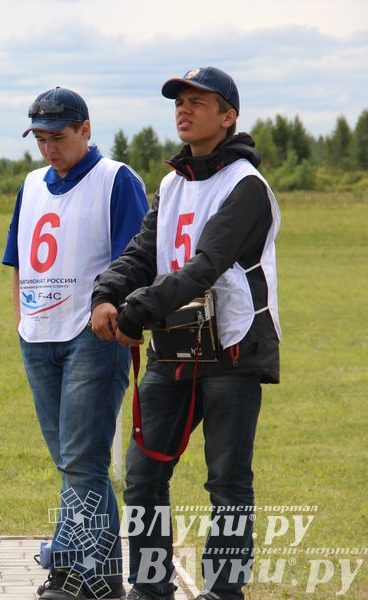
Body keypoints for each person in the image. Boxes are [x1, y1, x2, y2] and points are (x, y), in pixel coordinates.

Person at [91, 67, 281, 600]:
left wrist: (134, 312)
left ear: (228, 116)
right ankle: (150, 589)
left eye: (199, 101)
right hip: (172, 349)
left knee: (226, 483)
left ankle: (224, 592)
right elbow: (142, 252)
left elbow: (206, 264)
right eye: (180, 100)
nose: (185, 108)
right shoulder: (173, 182)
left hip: (233, 350)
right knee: (145, 475)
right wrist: (106, 293)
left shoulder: (246, 186)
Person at [2, 86, 149, 600]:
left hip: (93, 335)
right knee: (68, 461)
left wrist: (113, 322)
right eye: (39, 139)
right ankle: (79, 573)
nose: (48, 148)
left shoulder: (116, 180)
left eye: (58, 137)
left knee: (84, 461)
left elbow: (137, 258)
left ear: (86, 129)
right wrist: (23, 320)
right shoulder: (30, 184)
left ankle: (93, 577)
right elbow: (18, 256)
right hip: (38, 336)